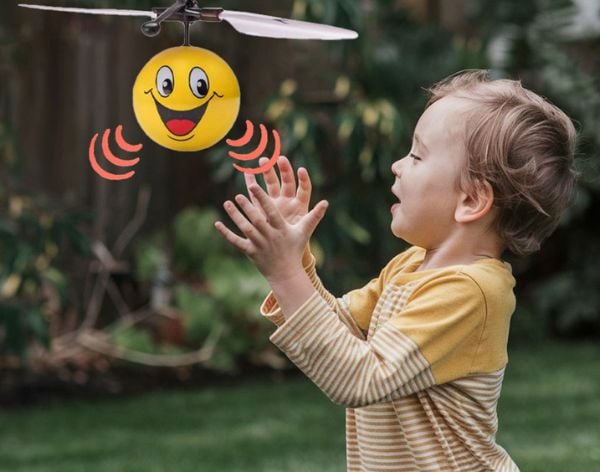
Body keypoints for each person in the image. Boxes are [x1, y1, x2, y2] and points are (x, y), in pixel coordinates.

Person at [214, 69, 578, 472]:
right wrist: (294, 259)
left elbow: (358, 377)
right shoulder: (411, 265)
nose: (396, 165)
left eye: (417, 155)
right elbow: (342, 334)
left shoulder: (472, 291)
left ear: (471, 200)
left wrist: (286, 274)